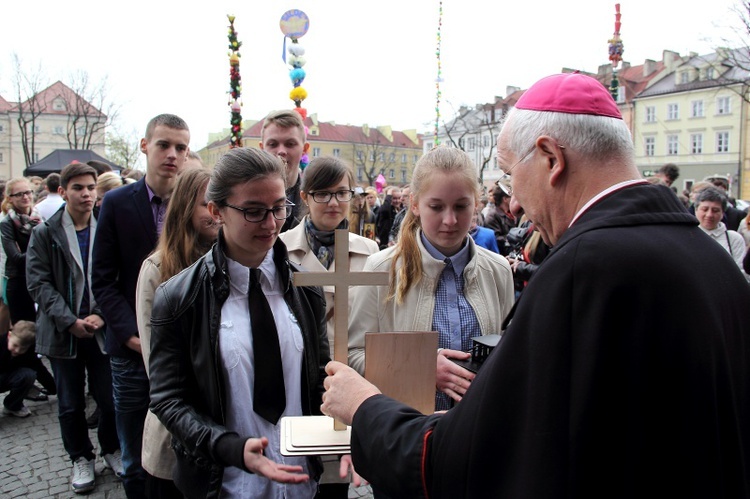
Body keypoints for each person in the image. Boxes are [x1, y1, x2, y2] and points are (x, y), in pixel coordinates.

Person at [323, 73, 750, 498]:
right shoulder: (716, 263)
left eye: (510, 176)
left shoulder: (582, 271)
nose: (514, 204)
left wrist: (365, 408)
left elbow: (466, 458)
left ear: (550, 158)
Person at [148, 147, 349, 498]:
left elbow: (316, 380)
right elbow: (169, 399)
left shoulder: (307, 289)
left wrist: (345, 434)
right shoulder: (179, 297)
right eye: (254, 212)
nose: (271, 224)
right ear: (217, 211)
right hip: (223, 482)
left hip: (300, 480)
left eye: (278, 208)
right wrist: (229, 447)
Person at [347, 147, 515, 411]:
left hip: (478, 428)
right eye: (436, 207)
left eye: (461, 206)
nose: (450, 220)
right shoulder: (381, 268)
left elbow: (509, 350)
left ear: (476, 202)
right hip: (406, 430)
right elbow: (353, 354)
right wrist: (419, 367)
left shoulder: (498, 270)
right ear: (415, 204)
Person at [92, 113, 190, 499]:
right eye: (164, 144)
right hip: (131, 350)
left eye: (181, 147)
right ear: (145, 145)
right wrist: (133, 333)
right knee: (135, 452)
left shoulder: (194, 202)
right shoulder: (117, 202)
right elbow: (103, 277)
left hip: (182, 344)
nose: (172, 154)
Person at [279, 156, 377, 497]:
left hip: (350, 376)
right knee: (299, 473)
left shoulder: (370, 252)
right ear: (305, 197)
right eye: (323, 193)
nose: (334, 202)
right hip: (300, 377)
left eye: (342, 192)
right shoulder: (280, 248)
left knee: (336, 482)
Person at [26, 162, 122, 494]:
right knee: (69, 403)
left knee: (109, 399)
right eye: (78, 188)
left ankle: (111, 449)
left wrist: (102, 316)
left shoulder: (105, 228)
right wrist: (70, 320)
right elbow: (38, 284)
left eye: (90, 187)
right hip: (62, 333)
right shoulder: (45, 233)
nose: (86, 193)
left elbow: (117, 277)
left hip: (99, 330)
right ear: (63, 191)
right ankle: (81, 457)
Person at [135, 167, 218, 498]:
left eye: (221, 202)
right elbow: (158, 366)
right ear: (185, 208)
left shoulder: (237, 264)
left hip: (228, 432)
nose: (216, 212)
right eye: (206, 204)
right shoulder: (158, 270)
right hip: (177, 434)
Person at [259, 109, 310, 232]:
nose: (281, 151)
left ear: (304, 149)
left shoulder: (314, 202)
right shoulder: (245, 199)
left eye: (290, 144)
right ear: (262, 148)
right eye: (273, 144)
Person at [1, 177, 43, 323]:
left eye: (27, 192)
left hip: (40, 280)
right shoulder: (7, 223)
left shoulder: (40, 218)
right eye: (19, 194)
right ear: (10, 198)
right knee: (24, 332)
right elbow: (16, 258)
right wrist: (41, 251)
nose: (25, 197)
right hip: (19, 282)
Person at [694, 186, 748, 276]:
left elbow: (742, 273)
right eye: (705, 209)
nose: (709, 215)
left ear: (723, 213)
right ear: (696, 210)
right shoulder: (687, 236)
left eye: (715, 210)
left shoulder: (733, 239)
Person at [0, 320, 40, 418]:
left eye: (22, 348)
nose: (17, 350)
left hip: (7, 377)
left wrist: (54, 388)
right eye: (15, 345)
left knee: (28, 375)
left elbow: (38, 367)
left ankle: (12, 406)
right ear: (9, 336)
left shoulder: (29, 352)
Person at [483, 178, 516, 255]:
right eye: (511, 196)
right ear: (505, 199)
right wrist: (514, 237)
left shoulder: (513, 214)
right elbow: (495, 239)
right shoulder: (492, 216)